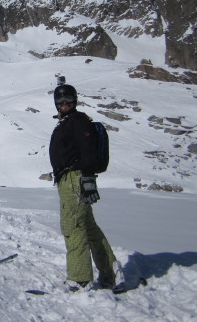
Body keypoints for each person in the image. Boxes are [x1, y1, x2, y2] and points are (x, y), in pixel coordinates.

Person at [49, 82, 125, 293]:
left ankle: (80, 279)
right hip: (70, 179)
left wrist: (88, 181)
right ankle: (111, 273)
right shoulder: (67, 122)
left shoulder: (78, 122)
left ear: (75, 101)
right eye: (60, 101)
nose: (64, 104)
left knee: (73, 226)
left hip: (75, 180)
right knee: (88, 228)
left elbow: (89, 154)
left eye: (68, 100)